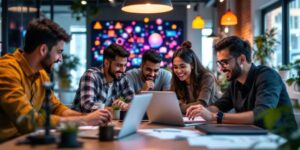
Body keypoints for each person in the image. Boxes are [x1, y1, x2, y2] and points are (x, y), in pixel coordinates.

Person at [0, 18, 111, 143]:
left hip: (26, 141)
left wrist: (92, 117)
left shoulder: (41, 74)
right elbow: (28, 120)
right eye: (59, 52)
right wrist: (85, 120)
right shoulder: (6, 70)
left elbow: (57, 108)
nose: (60, 59)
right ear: (43, 50)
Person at [186, 36, 297, 133]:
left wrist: (214, 116)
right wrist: (201, 111)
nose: (220, 68)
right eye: (219, 63)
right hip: (253, 136)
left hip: (279, 140)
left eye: (225, 62)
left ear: (242, 59)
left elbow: (262, 115)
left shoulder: (267, 76)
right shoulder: (236, 82)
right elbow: (220, 105)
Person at [72, 43, 134, 113]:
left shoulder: (122, 78)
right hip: (82, 122)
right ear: (106, 63)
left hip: (107, 122)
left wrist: (126, 106)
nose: (123, 70)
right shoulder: (91, 76)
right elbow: (87, 106)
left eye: (125, 65)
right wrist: (114, 108)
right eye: (118, 65)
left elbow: (134, 102)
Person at [171, 41, 219, 114]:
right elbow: (170, 103)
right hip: (191, 118)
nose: (178, 71)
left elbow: (200, 105)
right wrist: (175, 106)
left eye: (182, 66)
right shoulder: (176, 80)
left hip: (213, 119)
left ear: (192, 65)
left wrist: (178, 106)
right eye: (175, 67)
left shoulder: (207, 77)